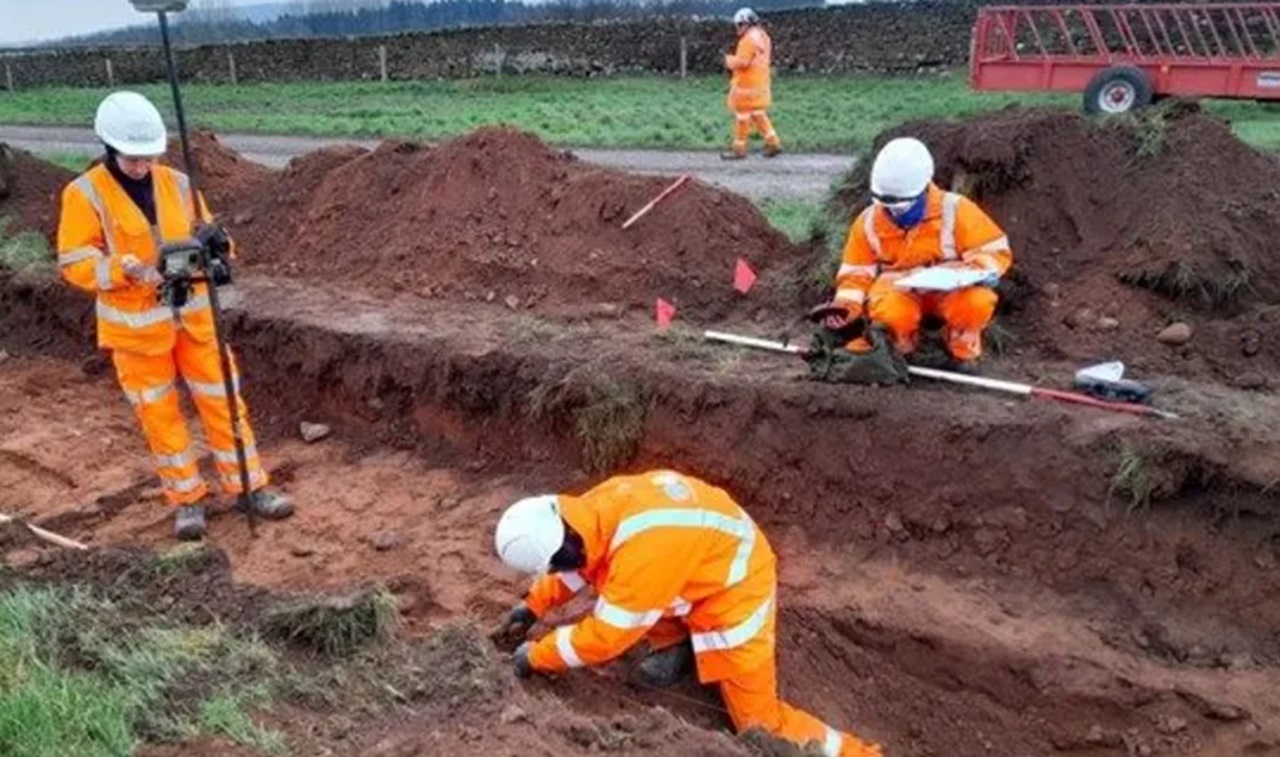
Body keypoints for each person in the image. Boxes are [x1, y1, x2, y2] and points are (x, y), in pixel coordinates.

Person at [491, 470, 883, 757]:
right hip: (695, 561)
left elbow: (606, 637)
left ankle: (857, 753)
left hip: (735, 589)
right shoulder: (587, 513)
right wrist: (532, 605)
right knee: (623, 584)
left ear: (564, 539)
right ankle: (675, 645)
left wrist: (537, 655)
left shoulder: (644, 554)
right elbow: (584, 563)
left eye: (556, 565)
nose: (559, 573)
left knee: (760, 726)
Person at [56, 90, 293, 541]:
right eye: (132, 159)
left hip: (196, 321)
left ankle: (249, 487)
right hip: (137, 332)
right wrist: (117, 269)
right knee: (160, 417)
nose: (142, 166)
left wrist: (217, 243)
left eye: (148, 157)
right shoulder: (84, 194)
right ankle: (187, 500)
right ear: (109, 149)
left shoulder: (178, 183)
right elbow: (73, 261)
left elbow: (214, 243)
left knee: (224, 403)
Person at [826, 137, 1013, 365]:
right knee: (891, 313)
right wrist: (846, 308)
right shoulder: (868, 222)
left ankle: (961, 354)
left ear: (924, 189)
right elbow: (855, 276)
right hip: (898, 291)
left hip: (951, 289)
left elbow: (994, 250)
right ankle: (903, 354)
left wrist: (975, 272)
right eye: (887, 207)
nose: (894, 213)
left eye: (902, 207)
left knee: (976, 303)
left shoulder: (956, 209)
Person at [723, 7, 782, 161]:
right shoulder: (763, 36)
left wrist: (728, 61)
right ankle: (773, 143)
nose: (738, 28)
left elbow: (742, 62)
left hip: (746, 86)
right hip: (761, 84)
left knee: (742, 117)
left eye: (739, 25)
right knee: (758, 113)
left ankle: (739, 150)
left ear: (745, 23)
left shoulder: (748, 40)